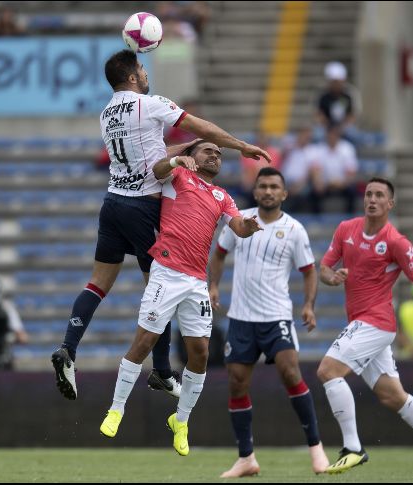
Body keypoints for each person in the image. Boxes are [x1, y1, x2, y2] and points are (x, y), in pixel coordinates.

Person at [50, 49, 271, 403]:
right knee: (162, 286)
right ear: (134, 77)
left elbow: (153, 148)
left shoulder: (107, 113)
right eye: (141, 67)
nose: (145, 71)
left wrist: (192, 148)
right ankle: (163, 372)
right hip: (142, 207)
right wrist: (240, 145)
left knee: (97, 284)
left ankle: (67, 349)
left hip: (112, 204)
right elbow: (200, 126)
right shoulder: (150, 104)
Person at [98, 140, 265, 457]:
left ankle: (181, 421)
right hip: (166, 271)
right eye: (208, 151)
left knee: (200, 352)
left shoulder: (222, 196)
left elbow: (238, 226)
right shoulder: (179, 176)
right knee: (145, 341)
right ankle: (117, 408)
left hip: (195, 281)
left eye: (218, 153)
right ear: (192, 156)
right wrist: (176, 162)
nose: (215, 155)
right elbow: (156, 168)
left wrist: (249, 226)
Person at [317, 178, 413, 476]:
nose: (372, 199)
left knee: (327, 371)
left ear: (390, 203)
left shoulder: (397, 242)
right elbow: (324, 268)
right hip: (362, 323)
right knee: (393, 396)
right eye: (369, 194)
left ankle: (353, 448)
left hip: (377, 322)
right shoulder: (346, 229)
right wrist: (332, 277)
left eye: (379, 195)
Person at [208, 167, 329, 477]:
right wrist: (212, 286)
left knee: (291, 373)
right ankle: (246, 457)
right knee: (236, 383)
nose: (268, 191)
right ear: (256, 190)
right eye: (263, 186)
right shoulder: (240, 221)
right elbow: (219, 253)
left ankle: (316, 449)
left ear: (284, 193)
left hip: (276, 316)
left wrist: (309, 306)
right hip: (241, 318)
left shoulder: (295, 230)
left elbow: (309, 270)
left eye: (274, 186)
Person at [309, 126, 358, 214]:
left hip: (343, 184)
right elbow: (315, 170)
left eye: (334, 135)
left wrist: (341, 183)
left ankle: (350, 219)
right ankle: (317, 222)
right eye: (330, 135)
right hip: (325, 185)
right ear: (326, 135)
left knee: (352, 191)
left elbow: (351, 172)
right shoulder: (319, 149)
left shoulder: (347, 148)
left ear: (338, 135)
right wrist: (318, 182)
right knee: (313, 193)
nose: (332, 137)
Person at [315, 61, 360, 143]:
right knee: (317, 134)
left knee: (353, 134)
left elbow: (352, 116)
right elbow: (319, 115)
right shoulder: (323, 96)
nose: (336, 85)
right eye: (333, 82)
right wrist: (328, 127)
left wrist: (341, 128)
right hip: (327, 126)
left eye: (338, 82)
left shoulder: (349, 95)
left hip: (344, 126)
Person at [280, 125, 317, 213]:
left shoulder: (312, 151)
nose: (304, 137)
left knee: (303, 192)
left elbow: (311, 172)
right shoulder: (290, 148)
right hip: (286, 182)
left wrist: (299, 185)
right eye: (302, 134)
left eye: (306, 135)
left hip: (303, 183)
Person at [240, 133, 282, 206]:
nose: (263, 140)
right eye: (261, 137)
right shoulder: (251, 151)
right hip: (252, 183)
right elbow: (248, 170)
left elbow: (274, 169)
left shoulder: (274, 152)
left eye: (265, 137)